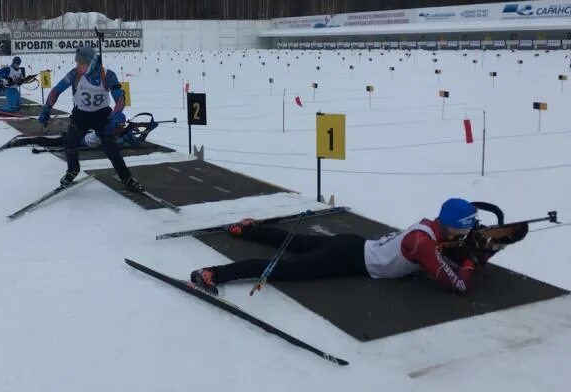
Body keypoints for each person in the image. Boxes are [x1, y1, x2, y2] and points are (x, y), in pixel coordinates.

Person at [190, 198, 490, 296]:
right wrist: (470, 261)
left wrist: (461, 250)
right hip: (350, 258)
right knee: (284, 269)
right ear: (455, 224)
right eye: (468, 225)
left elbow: (440, 249)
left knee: (294, 242)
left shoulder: (431, 227)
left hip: (356, 246)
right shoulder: (424, 243)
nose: (469, 229)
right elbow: (458, 285)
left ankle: (248, 229)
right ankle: (213, 274)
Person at [38, 46, 146, 193]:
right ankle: (73, 170)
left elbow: (120, 100)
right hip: (81, 114)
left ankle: (126, 177)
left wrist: (115, 117)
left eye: (81, 64)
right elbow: (56, 91)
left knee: (110, 147)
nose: (78, 66)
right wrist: (47, 109)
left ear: (92, 63)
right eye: (77, 63)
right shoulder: (75, 74)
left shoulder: (107, 75)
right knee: (70, 142)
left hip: (102, 115)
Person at [31, 112, 158, 149]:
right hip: (80, 141)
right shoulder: (106, 130)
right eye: (119, 124)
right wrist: (128, 129)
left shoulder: (121, 132)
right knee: (54, 142)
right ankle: (35, 140)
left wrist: (147, 130)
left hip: (87, 136)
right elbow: (112, 133)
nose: (122, 125)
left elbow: (136, 143)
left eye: (122, 124)